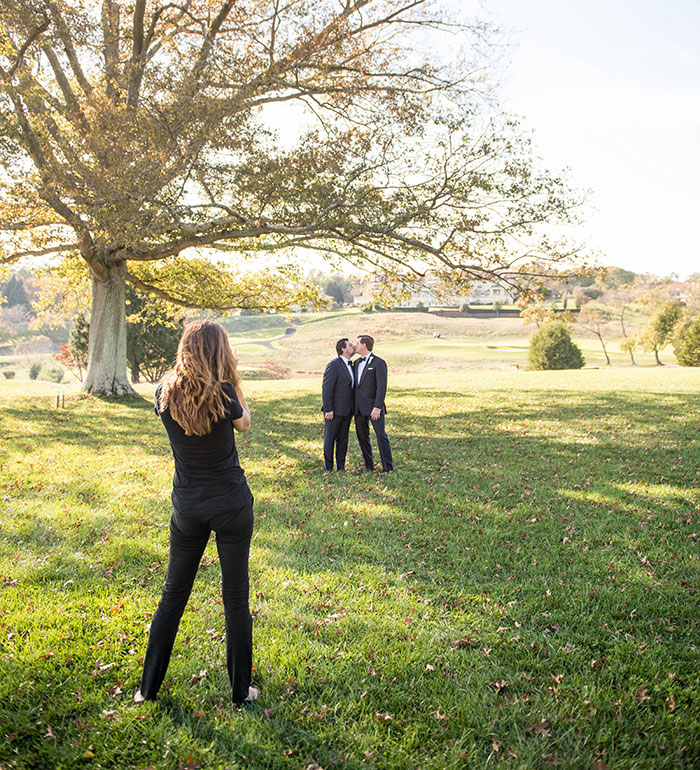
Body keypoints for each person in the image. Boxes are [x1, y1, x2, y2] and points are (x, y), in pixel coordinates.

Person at [134, 320, 257, 706]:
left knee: (173, 595)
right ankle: (241, 693)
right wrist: (233, 377)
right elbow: (245, 425)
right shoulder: (225, 392)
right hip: (232, 504)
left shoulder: (164, 392)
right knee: (235, 598)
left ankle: (147, 690)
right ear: (220, 351)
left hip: (188, 506)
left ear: (186, 348)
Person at [353, 334, 393, 473]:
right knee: (362, 437)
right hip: (358, 408)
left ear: (364, 345)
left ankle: (388, 467)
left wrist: (377, 407)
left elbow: (382, 387)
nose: (355, 346)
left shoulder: (379, 363)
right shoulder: (356, 363)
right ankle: (368, 466)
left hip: (374, 408)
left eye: (357, 343)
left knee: (381, 436)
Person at [321, 338, 356, 471]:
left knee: (343, 440)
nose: (353, 347)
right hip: (333, 411)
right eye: (350, 345)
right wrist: (328, 409)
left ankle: (341, 467)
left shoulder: (352, 365)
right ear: (343, 349)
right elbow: (327, 388)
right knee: (330, 438)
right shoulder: (334, 365)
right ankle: (329, 467)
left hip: (347, 410)